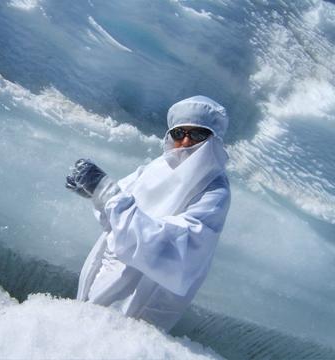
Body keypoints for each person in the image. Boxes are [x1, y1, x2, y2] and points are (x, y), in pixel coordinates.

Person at [65, 95, 231, 332]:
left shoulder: (214, 190)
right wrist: (92, 193)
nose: (185, 141)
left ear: (213, 139)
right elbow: (117, 207)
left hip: (135, 304)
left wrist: (105, 191)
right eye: (178, 133)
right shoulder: (158, 166)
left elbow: (170, 248)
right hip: (104, 280)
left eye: (197, 134)